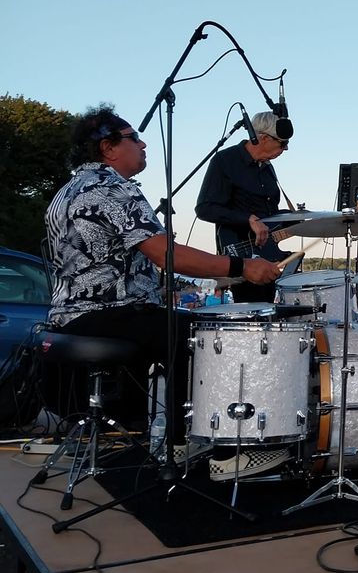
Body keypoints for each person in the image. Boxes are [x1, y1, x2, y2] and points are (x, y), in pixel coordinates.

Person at [46, 106, 279, 431]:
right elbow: (166, 255)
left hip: (69, 316)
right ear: (108, 148)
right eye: (134, 138)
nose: (143, 145)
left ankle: (131, 429)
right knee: (200, 335)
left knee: (162, 322)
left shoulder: (67, 190)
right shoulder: (112, 189)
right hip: (106, 312)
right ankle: (187, 440)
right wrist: (244, 267)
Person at [195, 111, 292, 303]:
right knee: (251, 314)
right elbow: (204, 208)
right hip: (240, 254)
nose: (285, 148)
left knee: (266, 310)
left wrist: (293, 217)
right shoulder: (225, 161)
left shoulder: (267, 168)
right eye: (282, 143)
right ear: (263, 138)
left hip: (267, 254)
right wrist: (248, 219)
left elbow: (269, 216)